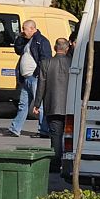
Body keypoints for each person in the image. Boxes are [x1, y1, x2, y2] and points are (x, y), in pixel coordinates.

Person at [9, 20, 51, 137]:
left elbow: (45, 59)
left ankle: (44, 130)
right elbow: (18, 50)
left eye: (24, 29)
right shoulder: (27, 40)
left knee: (39, 105)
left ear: (32, 29)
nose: (23, 31)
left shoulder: (41, 41)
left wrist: (37, 73)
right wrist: (21, 38)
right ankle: (15, 129)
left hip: (35, 78)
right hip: (26, 78)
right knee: (23, 104)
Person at [39, 37, 73, 172]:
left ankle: (55, 164)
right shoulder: (73, 63)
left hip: (52, 105)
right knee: (71, 137)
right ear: (67, 48)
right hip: (70, 106)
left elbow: (41, 84)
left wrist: (37, 103)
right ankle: (69, 163)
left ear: (54, 48)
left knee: (56, 136)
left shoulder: (46, 63)